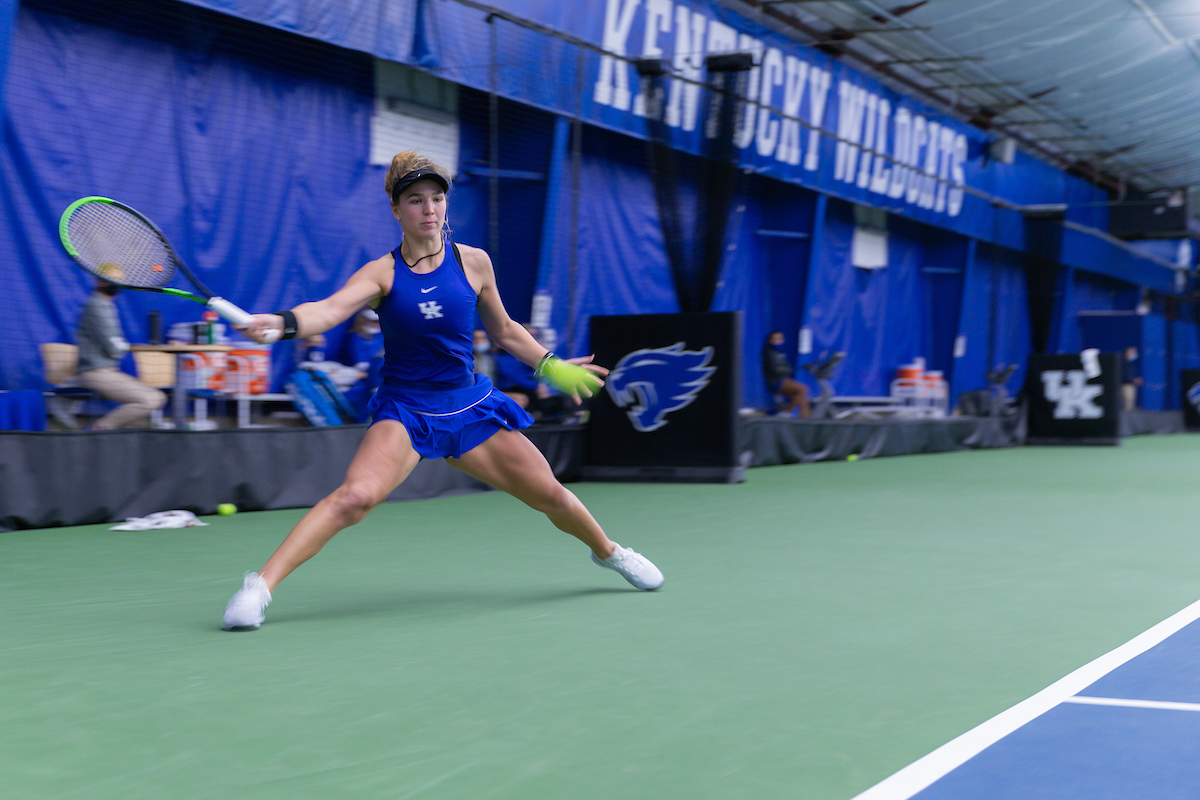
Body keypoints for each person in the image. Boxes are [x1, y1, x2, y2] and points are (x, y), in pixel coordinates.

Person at [222, 151, 664, 629]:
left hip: (468, 406)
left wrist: (550, 366)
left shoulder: (473, 263)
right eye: (416, 200)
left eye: (437, 198)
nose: (429, 209)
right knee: (355, 498)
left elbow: (506, 330)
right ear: (397, 210)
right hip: (407, 410)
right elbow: (328, 311)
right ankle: (260, 587)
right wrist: (282, 323)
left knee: (551, 496)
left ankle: (611, 553)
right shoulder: (381, 274)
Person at [75, 277, 166, 430]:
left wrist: (120, 346)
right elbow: (114, 349)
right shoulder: (96, 305)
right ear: (99, 281)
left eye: (117, 280)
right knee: (151, 400)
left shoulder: (106, 306)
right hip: (95, 373)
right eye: (109, 280)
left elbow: (116, 345)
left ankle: (111, 432)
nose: (114, 283)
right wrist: (120, 346)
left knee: (156, 399)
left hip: (107, 371)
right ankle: (99, 430)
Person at [762, 330, 810, 418]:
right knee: (803, 389)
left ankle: (805, 421)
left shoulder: (780, 353)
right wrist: (784, 369)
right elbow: (775, 370)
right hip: (776, 382)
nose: (778, 341)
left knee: (803, 399)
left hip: (783, 379)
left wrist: (784, 369)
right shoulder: (768, 352)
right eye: (775, 339)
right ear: (770, 340)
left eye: (780, 338)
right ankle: (787, 412)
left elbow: (788, 368)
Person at [1122, 346, 1142, 411]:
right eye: (1133, 352)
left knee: (1131, 401)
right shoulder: (1123, 363)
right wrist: (1133, 380)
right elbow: (1124, 376)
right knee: (1127, 400)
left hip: (1131, 385)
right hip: (1126, 385)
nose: (1134, 354)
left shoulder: (1130, 364)